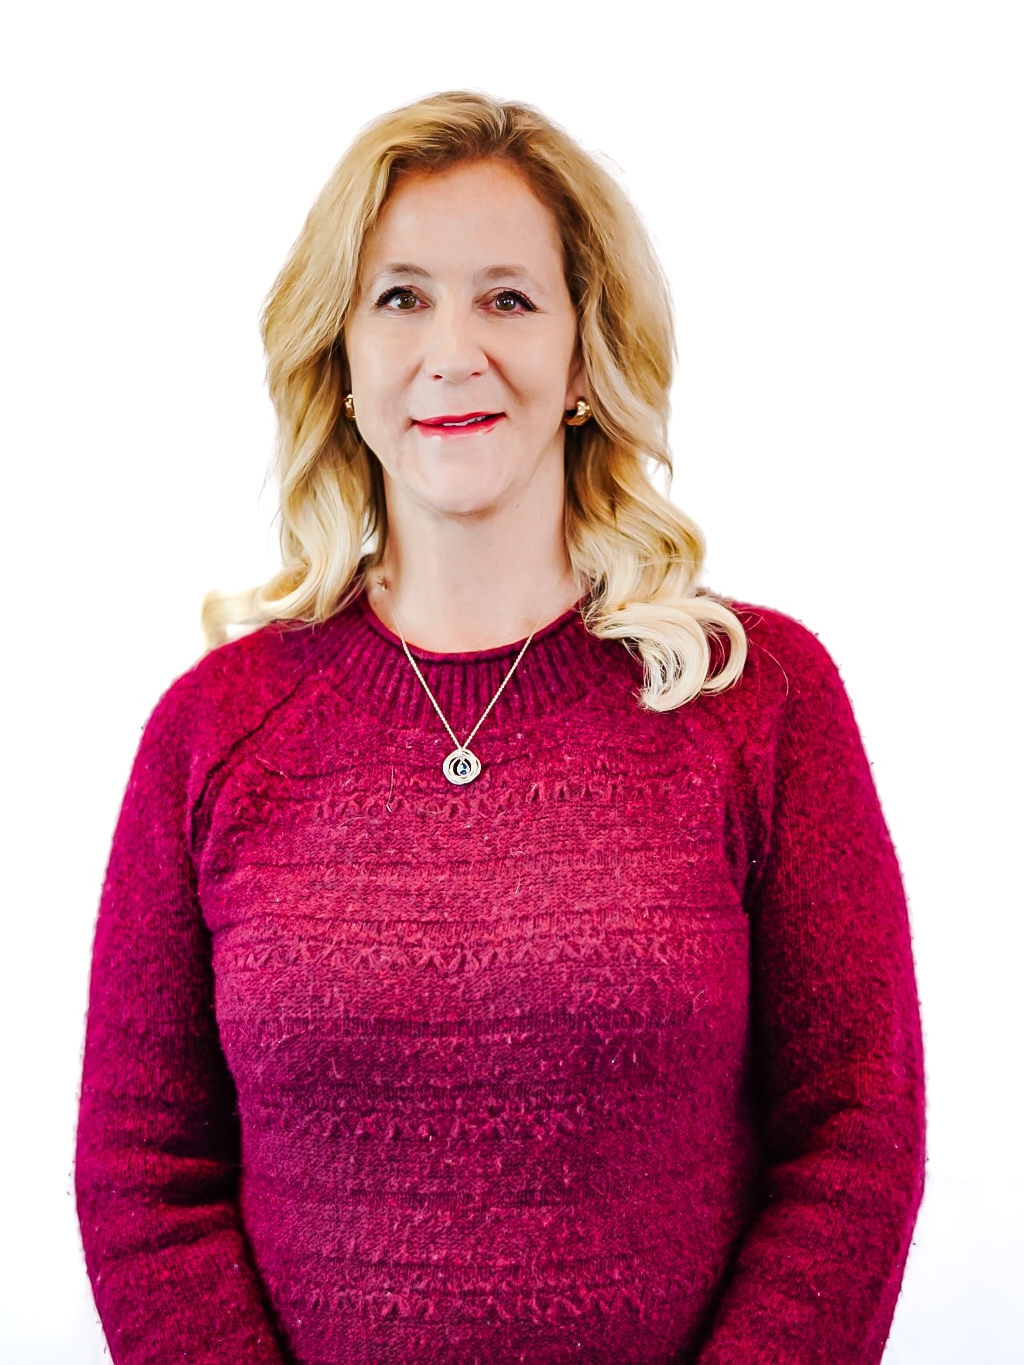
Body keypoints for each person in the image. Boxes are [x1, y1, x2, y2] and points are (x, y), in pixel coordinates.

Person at [75, 90, 925, 1364]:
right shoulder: (214, 730)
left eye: (510, 299)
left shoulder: (756, 698)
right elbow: (145, 1172)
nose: (454, 351)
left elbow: (855, 1133)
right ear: (341, 360)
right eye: (400, 298)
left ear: (585, 359)